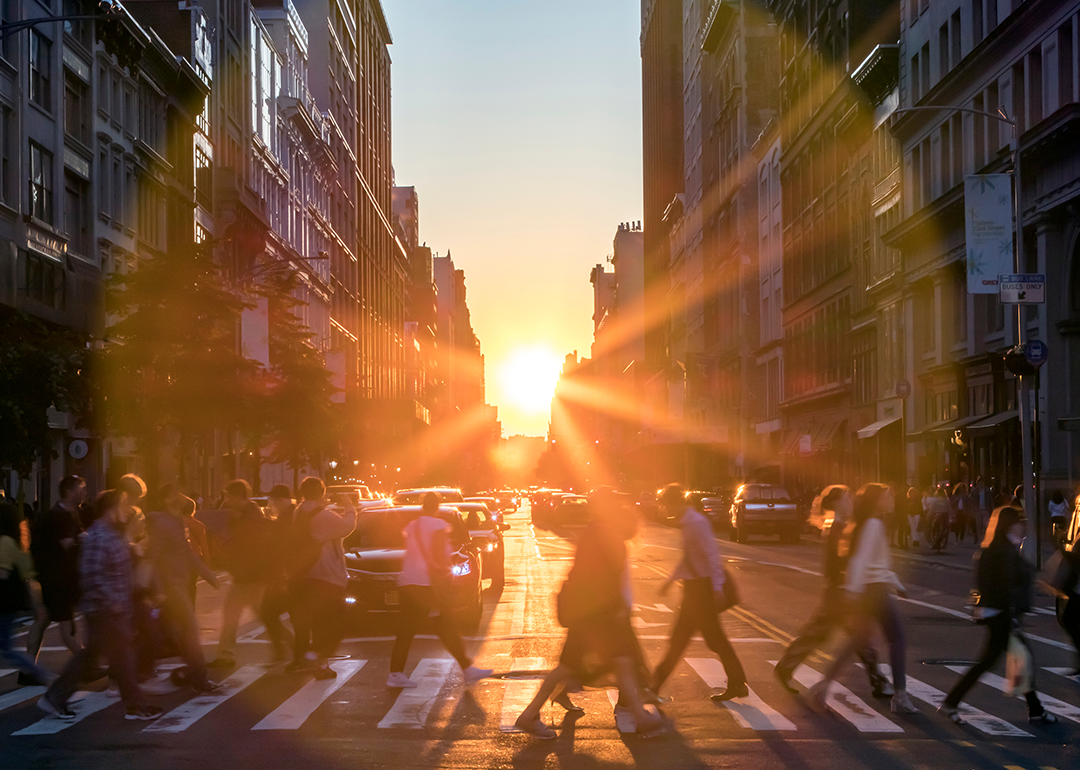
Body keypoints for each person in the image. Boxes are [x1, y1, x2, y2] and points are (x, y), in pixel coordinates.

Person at [514, 492, 662, 739]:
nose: (632, 535)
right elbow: (608, 582)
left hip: (589, 613)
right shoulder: (611, 540)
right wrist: (619, 612)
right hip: (597, 617)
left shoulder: (594, 531)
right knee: (600, 664)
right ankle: (528, 715)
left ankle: (640, 716)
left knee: (617, 663)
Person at [40, 490, 163, 721]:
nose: (126, 510)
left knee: (93, 658)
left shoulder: (110, 534)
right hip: (105, 610)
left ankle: (55, 697)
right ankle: (135, 706)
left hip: (108, 608)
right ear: (112, 509)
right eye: (124, 505)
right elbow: (91, 575)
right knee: (123, 658)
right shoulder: (98, 536)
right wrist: (113, 602)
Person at [805, 484, 918, 715]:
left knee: (857, 641)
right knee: (897, 639)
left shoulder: (867, 523)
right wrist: (853, 592)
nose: (892, 499)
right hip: (873, 591)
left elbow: (874, 563)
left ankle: (823, 686)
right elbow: (860, 560)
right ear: (877, 501)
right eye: (888, 495)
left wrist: (895, 583)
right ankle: (901, 695)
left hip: (870, 589)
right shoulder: (874, 524)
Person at [939, 506, 1058, 724]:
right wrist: (1013, 618)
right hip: (1002, 613)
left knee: (1014, 659)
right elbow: (1005, 586)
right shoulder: (1004, 551)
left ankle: (1035, 709)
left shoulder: (995, 547)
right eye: (1018, 521)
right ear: (1009, 524)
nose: (1021, 524)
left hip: (995, 612)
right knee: (1006, 660)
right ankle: (950, 702)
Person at [774, 486, 892, 698]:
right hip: (839, 591)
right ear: (837, 502)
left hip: (839, 589)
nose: (850, 500)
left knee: (849, 636)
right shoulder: (835, 526)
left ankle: (879, 681)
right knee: (825, 634)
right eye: (847, 497)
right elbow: (834, 564)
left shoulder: (839, 525)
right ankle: (785, 666)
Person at [652, 483, 747, 702]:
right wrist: (671, 580)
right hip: (694, 589)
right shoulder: (687, 523)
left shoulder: (696, 523)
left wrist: (715, 588)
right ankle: (737, 683)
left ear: (675, 503)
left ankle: (654, 685)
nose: (664, 510)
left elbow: (712, 555)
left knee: (682, 640)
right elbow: (690, 558)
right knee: (712, 640)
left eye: (665, 505)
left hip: (701, 591)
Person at [388, 492, 492, 689]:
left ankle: (395, 673)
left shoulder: (413, 525)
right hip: (427, 585)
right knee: (445, 626)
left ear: (422, 506)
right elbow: (440, 556)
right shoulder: (437, 526)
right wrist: (446, 577)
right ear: (437, 507)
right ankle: (467, 669)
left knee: (408, 630)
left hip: (409, 582)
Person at [146, 485, 220, 693]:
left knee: (171, 633)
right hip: (171, 586)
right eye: (173, 496)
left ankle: (137, 670)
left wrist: (206, 572)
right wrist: (159, 588)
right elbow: (154, 556)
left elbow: (187, 552)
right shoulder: (162, 523)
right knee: (190, 631)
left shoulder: (178, 521)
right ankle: (199, 677)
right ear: (165, 500)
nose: (178, 499)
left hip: (179, 583)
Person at [288, 477, 355, 679]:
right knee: (339, 622)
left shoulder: (298, 513)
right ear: (322, 493)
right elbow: (348, 526)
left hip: (308, 575)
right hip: (327, 577)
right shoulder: (323, 516)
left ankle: (318, 663)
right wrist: (350, 506)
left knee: (318, 622)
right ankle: (319, 658)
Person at [210, 479, 281, 668]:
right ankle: (288, 648)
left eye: (228, 496)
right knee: (256, 615)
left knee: (243, 614)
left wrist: (230, 556)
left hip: (252, 577)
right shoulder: (242, 515)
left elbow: (251, 547)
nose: (226, 500)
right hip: (248, 576)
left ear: (238, 496)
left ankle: (226, 655)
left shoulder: (250, 516)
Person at [24, 475, 86, 682]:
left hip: (49, 576)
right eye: (81, 487)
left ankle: (27, 670)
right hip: (57, 579)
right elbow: (67, 545)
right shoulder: (61, 516)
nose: (84, 491)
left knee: (42, 621)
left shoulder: (67, 513)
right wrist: (83, 540)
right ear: (69, 491)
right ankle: (86, 665)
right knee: (67, 625)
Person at [0, 503, 55, 686]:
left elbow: (3, 573)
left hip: (3, 602)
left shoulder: (5, 543)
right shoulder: (18, 544)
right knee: (6, 647)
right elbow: (30, 577)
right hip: (10, 603)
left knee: (7, 649)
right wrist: (38, 605)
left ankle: (40, 673)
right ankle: (39, 673)